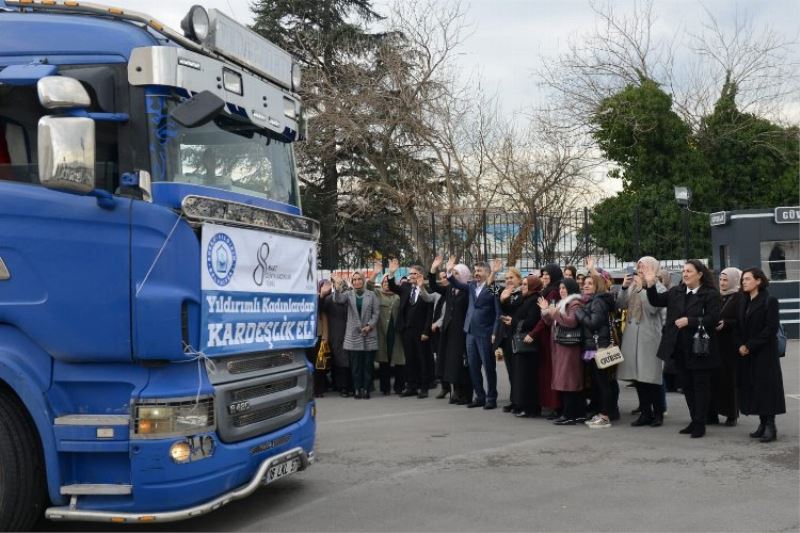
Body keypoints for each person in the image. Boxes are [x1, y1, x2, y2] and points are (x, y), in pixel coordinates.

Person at [642, 259, 721, 438]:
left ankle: (700, 423)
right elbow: (656, 301)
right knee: (687, 386)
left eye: (689, 271)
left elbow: (713, 319)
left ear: (700, 274)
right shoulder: (676, 292)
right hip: (678, 348)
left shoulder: (710, 294)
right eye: (684, 271)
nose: (685, 274)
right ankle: (694, 419)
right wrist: (651, 283)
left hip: (700, 348)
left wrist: (690, 321)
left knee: (700, 387)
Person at [736, 267, 786, 443]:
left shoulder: (769, 300)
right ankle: (762, 423)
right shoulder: (744, 301)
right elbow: (739, 326)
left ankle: (771, 426)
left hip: (765, 353)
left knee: (767, 389)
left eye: (748, 279)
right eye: (743, 279)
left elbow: (770, 329)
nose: (744, 282)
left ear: (758, 281)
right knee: (754, 388)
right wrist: (741, 344)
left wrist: (749, 345)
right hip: (748, 354)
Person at [617, 257, 667, 427]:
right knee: (638, 378)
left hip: (649, 336)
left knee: (651, 377)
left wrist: (642, 289)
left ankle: (659, 413)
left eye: (644, 266)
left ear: (653, 268)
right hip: (632, 336)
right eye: (639, 265)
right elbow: (620, 304)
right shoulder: (633, 285)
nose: (640, 269)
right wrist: (624, 287)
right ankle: (645, 412)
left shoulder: (657, 286)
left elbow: (653, 308)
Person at [446, 256, 501, 409]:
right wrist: (449, 270)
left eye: (480, 270)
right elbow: (455, 282)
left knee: (489, 367)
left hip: (485, 332)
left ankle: (491, 398)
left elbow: (498, 312)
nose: (476, 273)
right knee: (473, 366)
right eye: (475, 270)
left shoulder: (493, 287)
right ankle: (480, 396)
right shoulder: (470, 286)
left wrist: (495, 332)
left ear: (487, 273)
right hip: (470, 331)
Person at [540, 278, 585, 425]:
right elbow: (550, 322)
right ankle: (574, 413)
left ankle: (570, 415)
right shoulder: (561, 303)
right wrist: (546, 311)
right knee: (565, 380)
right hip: (560, 346)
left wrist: (554, 313)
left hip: (569, 347)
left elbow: (572, 322)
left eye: (564, 288)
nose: (561, 290)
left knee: (569, 382)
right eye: (560, 288)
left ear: (571, 288)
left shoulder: (574, 303)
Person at [387, 259, 434, 398]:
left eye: (414, 273)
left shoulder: (428, 290)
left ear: (421, 275)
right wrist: (391, 272)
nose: (411, 276)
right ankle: (411, 386)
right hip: (407, 330)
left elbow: (429, 313)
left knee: (422, 359)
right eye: (410, 273)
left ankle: (424, 387)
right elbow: (393, 287)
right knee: (410, 359)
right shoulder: (406, 287)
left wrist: (426, 331)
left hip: (421, 331)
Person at [576, 273, 618, 429]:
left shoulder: (597, 301)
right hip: (595, 347)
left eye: (590, 284)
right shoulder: (593, 300)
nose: (585, 286)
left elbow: (594, 323)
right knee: (598, 382)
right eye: (584, 283)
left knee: (602, 383)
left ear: (597, 286)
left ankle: (605, 416)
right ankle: (602, 413)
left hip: (598, 347)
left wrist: (580, 314)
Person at [429, 256, 473, 405]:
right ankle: (454, 390)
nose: (453, 276)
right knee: (449, 363)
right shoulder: (449, 288)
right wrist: (433, 269)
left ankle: (463, 393)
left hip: (461, 332)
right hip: (448, 331)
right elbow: (433, 287)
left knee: (460, 363)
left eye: (457, 273)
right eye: (453, 273)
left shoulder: (469, 289)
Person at [332, 271, 380, 399]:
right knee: (356, 366)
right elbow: (338, 299)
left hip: (369, 333)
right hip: (354, 334)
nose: (357, 281)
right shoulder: (348, 294)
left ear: (363, 280)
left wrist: (369, 326)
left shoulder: (372, 294)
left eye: (359, 279)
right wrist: (337, 287)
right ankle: (357, 389)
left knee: (368, 365)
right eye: (354, 280)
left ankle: (366, 389)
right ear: (352, 282)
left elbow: (376, 313)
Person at [524, 264, 563, 417]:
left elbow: (546, 318)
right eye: (543, 274)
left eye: (548, 274)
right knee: (546, 371)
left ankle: (555, 405)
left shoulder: (552, 292)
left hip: (549, 337)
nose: (545, 277)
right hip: (545, 336)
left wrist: (533, 334)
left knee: (550, 371)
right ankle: (550, 404)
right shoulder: (547, 291)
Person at [710, 267, 743, 426]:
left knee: (729, 380)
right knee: (715, 379)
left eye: (726, 280)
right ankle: (715, 412)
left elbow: (742, 320)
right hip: (716, 344)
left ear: (734, 281)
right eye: (721, 280)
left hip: (730, 345)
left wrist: (727, 323)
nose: (722, 283)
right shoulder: (718, 296)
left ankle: (731, 414)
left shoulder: (739, 297)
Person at [368, 265, 406, 395]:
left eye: (387, 281)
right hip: (382, 333)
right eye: (383, 282)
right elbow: (369, 287)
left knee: (400, 360)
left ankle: (399, 387)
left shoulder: (398, 295)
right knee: (384, 361)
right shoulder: (377, 294)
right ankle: (385, 388)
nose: (386, 284)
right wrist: (375, 273)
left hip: (397, 333)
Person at [512, 275, 544, 417]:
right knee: (519, 375)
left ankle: (530, 407)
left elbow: (532, 320)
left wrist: (514, 321)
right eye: (522, 284)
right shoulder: (523, 298)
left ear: (532, 286)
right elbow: (508, 304)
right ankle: (519, 403)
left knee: (527, 376)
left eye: (525, 284)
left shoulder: (535, 300)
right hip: (519, 339)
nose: (523, 286)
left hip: (527, 341)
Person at [495, 267, 524, 413]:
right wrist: (501, 299)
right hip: (506, 336)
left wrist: (506, 299)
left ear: (518, 279)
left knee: (518, 370)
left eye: (511, 277)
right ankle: (514, 400)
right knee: (510, 370)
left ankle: (520, 401)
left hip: (518, 336)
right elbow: (489, 289)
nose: (508, 281)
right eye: (506, 279)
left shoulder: (523, 293)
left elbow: (518, 310)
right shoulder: (503, 293)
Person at [321, 274, 352, 396]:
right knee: (339, 361)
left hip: (348, 333)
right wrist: (322, 294)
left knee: (346, 361)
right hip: (335, 335)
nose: (340, 286)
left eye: (342, 284)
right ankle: (341, 387)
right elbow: (321, 309)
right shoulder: (329, 299)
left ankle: (346, 386)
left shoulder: (349, 297)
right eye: (338, 284)